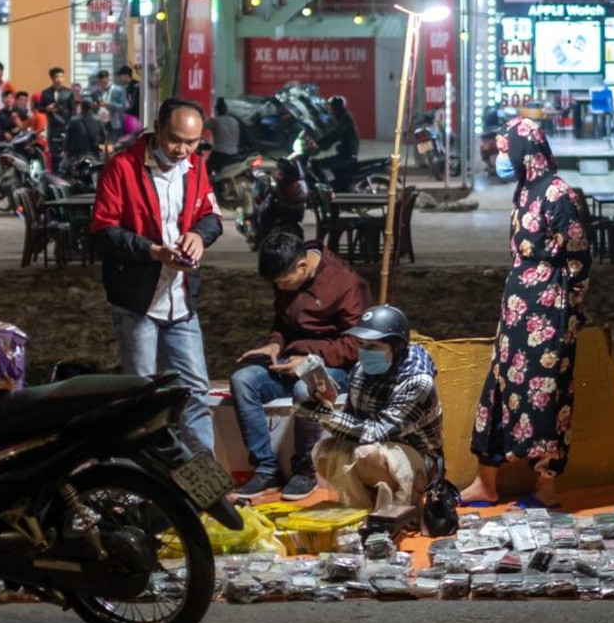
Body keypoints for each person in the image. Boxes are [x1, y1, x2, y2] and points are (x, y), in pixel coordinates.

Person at [465, 117, 591, 507]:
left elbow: (579, 260)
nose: (502, 158)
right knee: (499, 389)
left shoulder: (559, 195)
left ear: (525, 150)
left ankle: (546, 487)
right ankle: (486, 481)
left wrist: (567, 315)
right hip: (518, 310)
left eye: (506, 150)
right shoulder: (525, 190)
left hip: (549, 315)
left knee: (544, 397)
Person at [86, 98, 222, 452]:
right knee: (142, 396)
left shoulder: (195, 166)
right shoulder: (122, 167)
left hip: (180, 299)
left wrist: (198, 236)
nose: (183, 150)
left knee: (196, 390)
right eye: (176, 139)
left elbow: (211, 215)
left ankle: (205, 480)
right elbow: (103, 231)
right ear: (157, 128)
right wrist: (154, 252)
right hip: (137, 301)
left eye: (192, 142)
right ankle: (143, 476)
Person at [231, 231, 368, 502]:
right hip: (290, 360)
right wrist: (274, 345)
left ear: (302, 266)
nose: (280, 288)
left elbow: (356, 344)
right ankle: (266, 468)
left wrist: (309, 360)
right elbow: (282, 322)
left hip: (335, 365)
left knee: (306, 390)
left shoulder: (345, 282)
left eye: (283, 282)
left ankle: (305, 468)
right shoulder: (286, 273)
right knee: (243, 380)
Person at [298, 304, 443, 518]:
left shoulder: (417, 382)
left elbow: (375, 433)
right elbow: (352, 422)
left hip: (418, 458)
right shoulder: (361, 370)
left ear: (397, 347)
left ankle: (397, 514)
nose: (365, 352)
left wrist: (324, 415)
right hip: (375, 445)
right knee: (325, 451)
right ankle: (360, 511)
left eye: (373, 346)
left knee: (367, 455)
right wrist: (327, 405)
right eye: (361, 345)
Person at [314, 94, 359, 179]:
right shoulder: (342, 116)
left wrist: (318, 142)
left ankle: (325, 188)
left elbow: (336, 133)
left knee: (317, 165)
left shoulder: (346, 118)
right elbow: (335, 135)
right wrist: (323, 144)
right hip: (344, 151)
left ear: (337, 107)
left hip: (348, 153)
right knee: (320, 163)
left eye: (332, 107)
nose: (330, 109)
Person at [60, 98, 112, 166]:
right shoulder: (97, 121)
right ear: (91, 107)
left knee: (62, 166)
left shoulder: (74, 120)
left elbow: (68, 137)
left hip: (76, 154)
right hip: (93, 154)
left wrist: (64, 151)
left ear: (81, 107)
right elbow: (104, 136)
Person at [40, 67, 75, 155]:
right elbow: (40, 108)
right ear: (52, 78)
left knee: (67, 151)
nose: (59, 80)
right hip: (52, 126)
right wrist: (47, 108)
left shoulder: (68, 92)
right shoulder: (46, 93)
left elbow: (73, 110)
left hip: (65, 125)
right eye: (57, 77)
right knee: (54, 152)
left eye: (61, 77)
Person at [208, 97, 244, 173]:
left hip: (219, 152)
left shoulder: (215, 121)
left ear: (216, 110)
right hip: (234, 153)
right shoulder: (234, 121)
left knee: (206, 170)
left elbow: (201, 126)